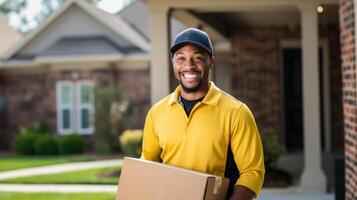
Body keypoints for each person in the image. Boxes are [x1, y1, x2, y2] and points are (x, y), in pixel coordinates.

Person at [141, 28, 265, 200]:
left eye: (198, 58)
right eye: (181, 58)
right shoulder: (157, 112)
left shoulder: (236, 112)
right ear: (173, 63)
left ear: (211, 61)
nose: (189, 65)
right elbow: (147, 164)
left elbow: (253, 172)